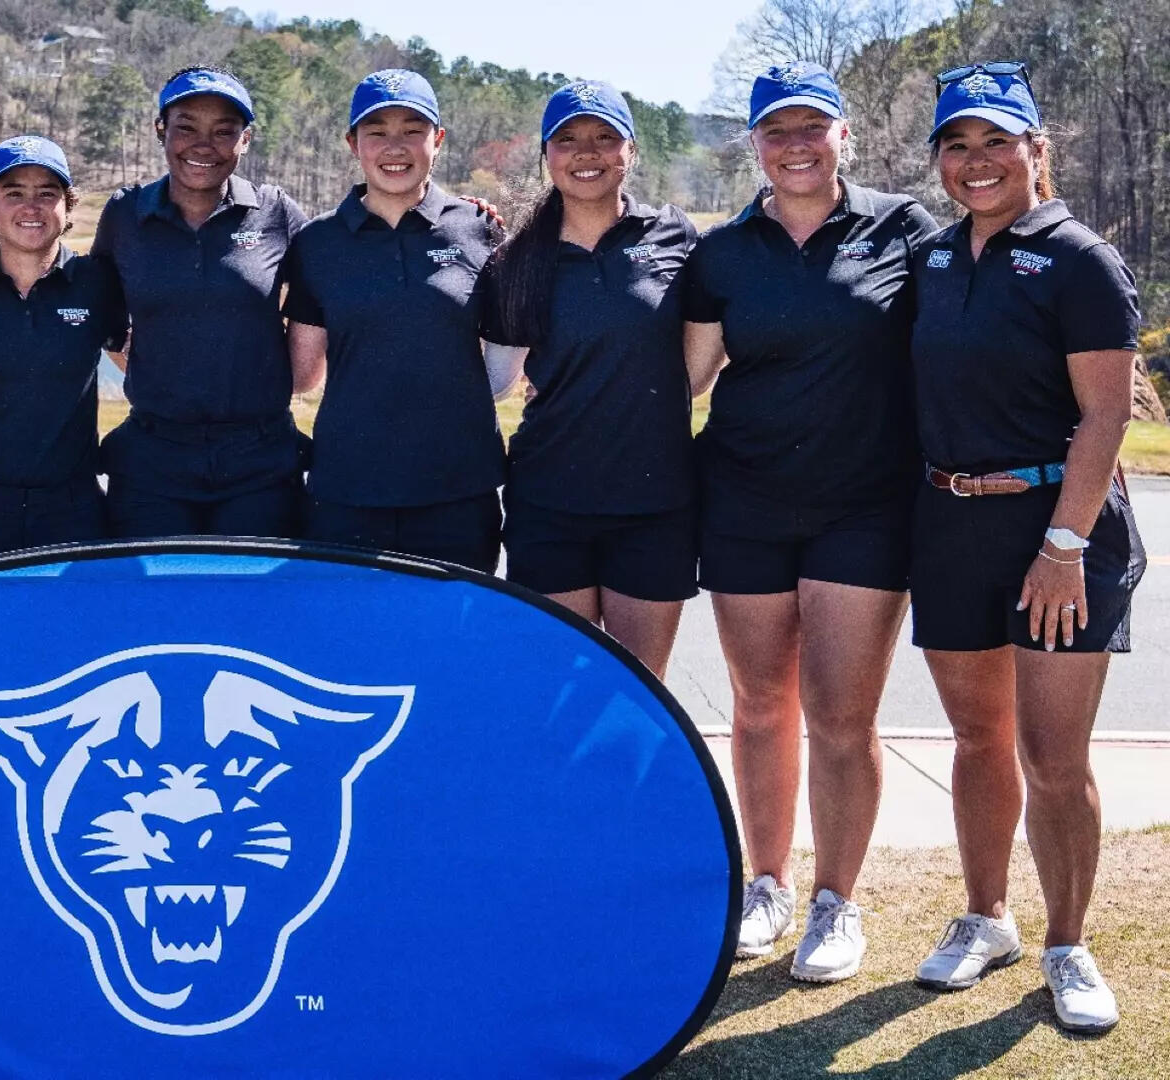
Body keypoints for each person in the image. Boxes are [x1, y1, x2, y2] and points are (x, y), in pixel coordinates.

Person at [679, 63, 940, 982]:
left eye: (812, 127)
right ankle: (768, 884)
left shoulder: (903, 229)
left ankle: (837, 901)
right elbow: (688, 377)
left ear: (843, 135)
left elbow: (965, 334)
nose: (796, 145)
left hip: (865, 505)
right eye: (776, 130)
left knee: (840, 713)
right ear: (754, 143)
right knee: (759, 705)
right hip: (744, 501)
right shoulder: (724, 252)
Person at [908, 64, 1144, 1034]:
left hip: (1060, 531)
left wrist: (1062, 547)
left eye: (997, 141)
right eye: (958, 144)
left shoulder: (1080, 259)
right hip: (951, 523)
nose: (978, 162)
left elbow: (1107, 415)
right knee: (977, 740)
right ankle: (987, 918)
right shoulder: (932, 258)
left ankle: (1067, 945)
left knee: (1052, 756)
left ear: (1036, 150)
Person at [476, 80, 698, 669]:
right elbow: (498, 381)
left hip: (654, 502)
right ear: (547, 154)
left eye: (604, 137)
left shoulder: (674, 236)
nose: (586, 153)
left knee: (639, 691)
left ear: (631, 150)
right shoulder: (517, 258)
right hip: (550, 503)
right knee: (555, 690)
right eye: (568, 139)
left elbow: (697, 364)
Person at [283, 70, 504, 571]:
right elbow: (303, 374)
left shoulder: (479, 228)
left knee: (455, 623)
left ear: (438, 140)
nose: (395, 146)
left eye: (412, 130)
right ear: (353, 143)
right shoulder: (318, 242)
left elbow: (507, 359)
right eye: (377, 131)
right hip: (347, 491)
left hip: (459, 491)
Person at [87, 67, 309, 539]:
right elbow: (97, 307)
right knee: (153, 587)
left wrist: (457, 222)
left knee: (247, 588)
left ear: (245, 140)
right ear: (160, 129)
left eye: (223, 131)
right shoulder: (126, 213)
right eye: (186, 127)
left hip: (260, 463)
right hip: (153, 461)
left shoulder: (275, 212)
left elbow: (344, 268)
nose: (203, 145)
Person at [0, 136, 125, 562]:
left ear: (68, 205)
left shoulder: (97, 283)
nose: (31, 207)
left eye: (46, 193)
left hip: (74, 511)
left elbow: (141, 362)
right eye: (14, 193)